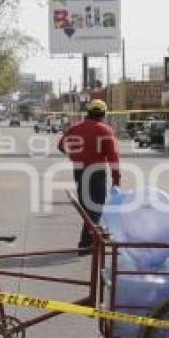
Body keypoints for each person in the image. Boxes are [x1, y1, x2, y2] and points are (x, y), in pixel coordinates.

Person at [58, 99, 121, 253]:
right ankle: (87, 243)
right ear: (103, 114)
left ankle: (91, 239)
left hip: (79, 171)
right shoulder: (105, 130)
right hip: (96, 173)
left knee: (87, 207)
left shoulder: (75, 128)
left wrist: (72, 155)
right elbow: (113, 156)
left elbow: (60, 145)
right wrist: (116, 178)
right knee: (95, 207)